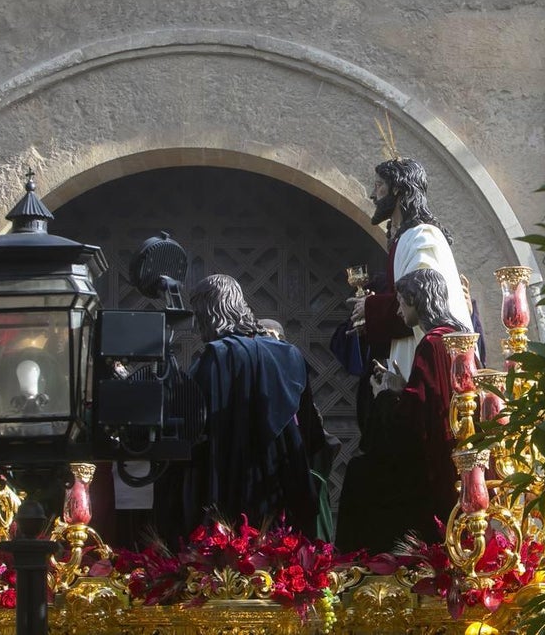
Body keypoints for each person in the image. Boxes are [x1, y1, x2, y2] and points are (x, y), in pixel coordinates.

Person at [177, 274, 328, 538]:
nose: (197, 328)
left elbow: (189, 427)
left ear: (210, 313)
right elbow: (310, 430)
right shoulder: (289, 354)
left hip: (226, 483)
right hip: (280, 484)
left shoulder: (215, 358)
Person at [336, 268, 467, 553]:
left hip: (431, 461)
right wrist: (399, 386)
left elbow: (413, 417)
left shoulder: (432, 343)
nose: (396, 312)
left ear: (415, 300)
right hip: (454, 450)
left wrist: (383, 395)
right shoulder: (458, 336)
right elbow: (431, 397)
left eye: (400, 303)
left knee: (360, 478)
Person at [350, 158, 471, 380]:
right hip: (410, 348)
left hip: (428, 354)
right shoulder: (405, 238)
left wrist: (370, 307)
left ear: (397, 188)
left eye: (379, 185)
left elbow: (425, 300)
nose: (372, 195)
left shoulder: (422, 236)